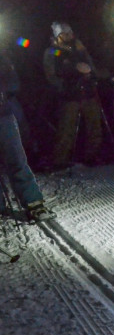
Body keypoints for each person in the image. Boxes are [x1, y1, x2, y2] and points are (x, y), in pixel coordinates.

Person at [43, 22, 114, 169]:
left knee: (94, 125)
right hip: (69, 95)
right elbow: (52, 74)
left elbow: (92, 68)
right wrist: (69, 79)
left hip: (87, 92)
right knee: (66, 128)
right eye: (65, 33)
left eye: (70, 32)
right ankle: (60, 160)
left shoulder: (80, 49)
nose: (69, 36)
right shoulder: (53, 51)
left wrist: (102, 76)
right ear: (59, 36)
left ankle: (92, 156)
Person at [1, 48, 54, 221]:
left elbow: (13, 82)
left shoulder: (2, 58)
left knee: (16, 157)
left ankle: (33, 202)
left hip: (3, 115)